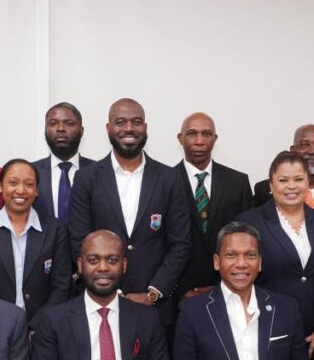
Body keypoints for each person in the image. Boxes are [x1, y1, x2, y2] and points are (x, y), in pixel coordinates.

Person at [68, 98, 191, 331]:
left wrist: (154, 293)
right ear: (108, 128)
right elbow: (79, 241)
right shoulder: (87, 179)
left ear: (145, 128)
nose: (128, 129)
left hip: (156, 309)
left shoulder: (169, 178)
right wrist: (113, 292)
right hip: (101, 304)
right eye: (120, 122)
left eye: (136, 122)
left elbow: (180, 244)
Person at [30, 230, 177, 360]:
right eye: (93, 260)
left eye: (112, 260)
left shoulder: (147, 318)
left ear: (124, 265)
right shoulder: (54, 321)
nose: (103, 268)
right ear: (80, 265)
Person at [173, 221, 314, 360]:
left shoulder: (286, 309)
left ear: (260, 262)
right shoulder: (192, 313)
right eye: (231, 255)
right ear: (216, 261)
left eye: (250, 255)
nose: (241, 264)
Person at [235, 151, 314, 359]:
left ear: (308, 182)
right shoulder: (248, 224)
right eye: (283, 180)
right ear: (271, 185)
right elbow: (238, 279)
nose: (291, 186)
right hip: (266, 337)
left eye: (298, 179)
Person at [0, 159, 71, 324]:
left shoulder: (55, 229)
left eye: (29, 184)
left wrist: (39, 325)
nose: (21, 190)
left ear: (37, 190)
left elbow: (61, 285)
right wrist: (2, 327)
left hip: (43, 327)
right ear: (0, 186)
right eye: (13, 183)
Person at [173, 112, 254, 304]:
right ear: (180, 138)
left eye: (206, 134)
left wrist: (224, 286)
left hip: (230, 292)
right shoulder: (164, 181)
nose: (199, 141)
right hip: (178, 296)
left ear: (215, 139)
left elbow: (248, 241)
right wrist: (182, 290)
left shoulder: (238, 182)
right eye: (192, 134)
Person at [32, 102, 95, 221]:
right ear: (45, 130)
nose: (61, 129)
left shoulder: (98, 172)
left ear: (81, 131)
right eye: (53, 123)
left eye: (69, 123)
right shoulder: (31, 172)